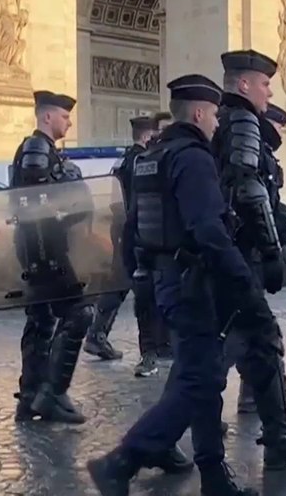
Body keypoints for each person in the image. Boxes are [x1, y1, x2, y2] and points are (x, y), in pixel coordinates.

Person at [87, 75, 259, 496]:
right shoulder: (192, 158)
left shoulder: (152, 156)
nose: (218, 124)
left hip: (165, 280)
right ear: (199, 112)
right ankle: (122, 460)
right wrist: (241, 281)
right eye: (215, 115)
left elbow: (132, 224)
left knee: (195, 374)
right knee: (200, 381)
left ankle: (214, 475)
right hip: (192, 283)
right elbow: (208, 228)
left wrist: (137, 271)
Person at [212, 49, 286, 469]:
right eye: (264, 83)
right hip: (244, 254)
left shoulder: (223, 119)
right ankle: (162, 432)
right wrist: (274, 251)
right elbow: (248, 189)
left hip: (232, 253)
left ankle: (278, 437)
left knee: (254, 342)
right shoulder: (242, 122)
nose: (269, 91)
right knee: (251, 340)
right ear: (244, 85)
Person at [9, 90, 96, 424]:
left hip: (39, 248)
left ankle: (30, 397)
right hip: (44, 249)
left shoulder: (44, 151)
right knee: (79, 313)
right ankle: (52, 395)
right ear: (47, 117)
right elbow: (37, 203)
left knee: (42, 320)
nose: (68, 121)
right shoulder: (37, 150)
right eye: (64, 116)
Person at [83, 112, 176, 378]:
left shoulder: (124, 158)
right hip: (136, 227)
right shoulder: (141, 160)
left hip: (122, 225)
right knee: (136, 284)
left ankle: (98, 334)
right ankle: (147, 346)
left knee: (122, 280)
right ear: (148, 136)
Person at [233, 102, 286, 413]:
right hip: (247, 254)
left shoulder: (265, 154)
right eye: (279, 126)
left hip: (251, 254)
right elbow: (253, 200)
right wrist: (272, 249)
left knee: (253, 333)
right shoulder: (254, 153)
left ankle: (252, 399)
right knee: (253, 333)